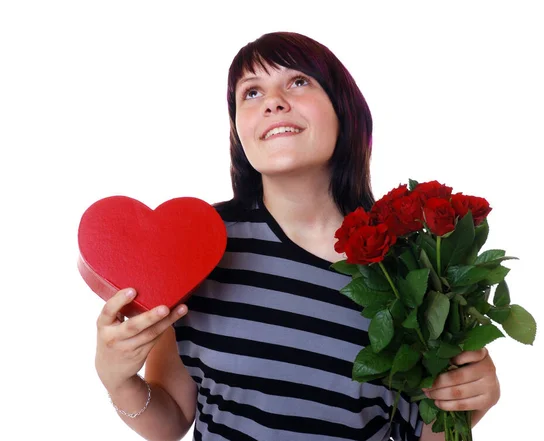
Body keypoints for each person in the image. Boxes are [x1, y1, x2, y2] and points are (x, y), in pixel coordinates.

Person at [94, 31, 501, 441]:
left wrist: (468, 404)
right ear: (238, 131)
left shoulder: (407, 269)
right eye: (251, 92)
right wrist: (117, 378)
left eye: (298, 81)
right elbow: (169, 422)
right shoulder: (200, 245)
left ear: (344, 109)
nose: (273, 101)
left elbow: (424, 434)